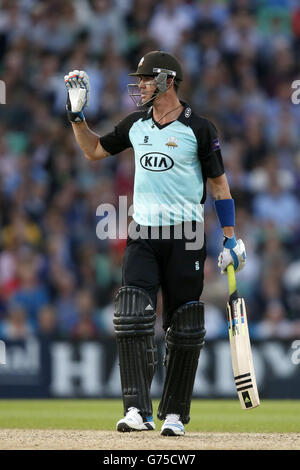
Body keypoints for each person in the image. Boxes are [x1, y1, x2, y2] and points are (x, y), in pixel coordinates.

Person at [64, 51, 246, 436]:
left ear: (167, 80)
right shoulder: (136, 124)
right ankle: (136, 411)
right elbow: (93, 151)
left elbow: (219, 186)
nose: (140, 86)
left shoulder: (200, 129)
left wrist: (230, 239)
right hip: (144, 233)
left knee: (185, 326)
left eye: (146, 79)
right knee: (131, 313)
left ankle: (175, 415)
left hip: (187, 236)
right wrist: (77, 118)